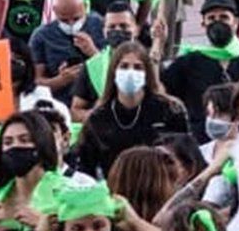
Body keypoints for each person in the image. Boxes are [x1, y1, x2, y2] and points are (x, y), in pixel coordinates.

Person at [72, 39, 190, 178]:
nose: (130, 72)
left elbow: (186, 157)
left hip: (160, 189)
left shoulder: (170, 110)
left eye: (138, 67)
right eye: (124, 66)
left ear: (147, 73)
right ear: (113, 71)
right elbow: (86, 169)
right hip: (115, 194)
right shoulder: (97, 118)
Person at [160, 0, 239, 133]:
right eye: (211, 18)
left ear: (236, 22)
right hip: (201, 140)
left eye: (224, 17)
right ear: (203, 24)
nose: (217, 22)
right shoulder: (188, 62)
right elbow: (161, 90)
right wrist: (157, 46)